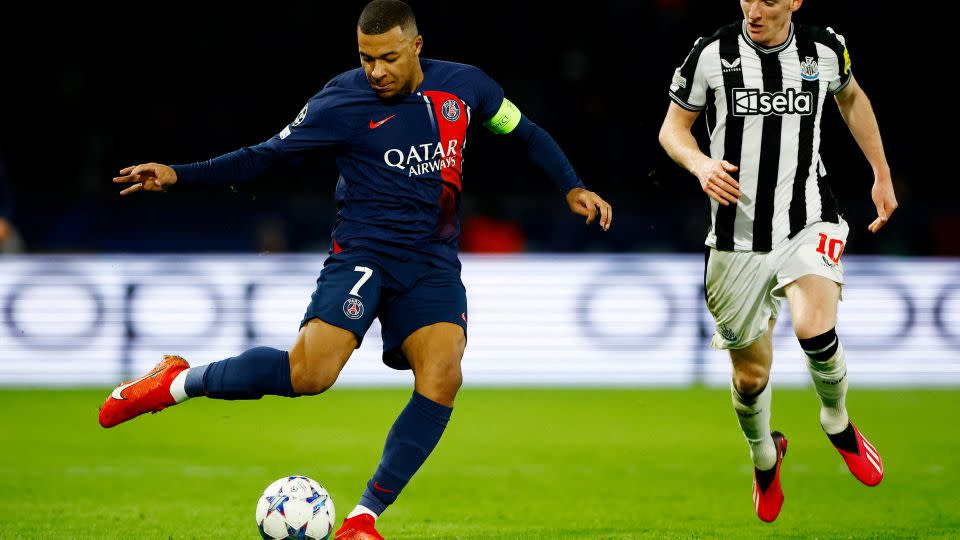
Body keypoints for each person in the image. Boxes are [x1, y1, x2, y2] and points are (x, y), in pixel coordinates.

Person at [99, 1, 612, 538]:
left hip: (431, 262)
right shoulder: (341, 100)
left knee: (442, 376)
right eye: (366, 59)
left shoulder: (467, 87)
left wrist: (572, 185)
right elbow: (263, 156)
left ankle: (362, 520)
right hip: (363, 255)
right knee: (311, 375)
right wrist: (177, 175)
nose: (377, 71)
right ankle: (177, 382)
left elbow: (524, 131)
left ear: (416, 46)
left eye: (388, 58)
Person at [658, 0, 895, 523]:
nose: (754, 10)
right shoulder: (713, 52)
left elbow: (852, 98)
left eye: (768, 0)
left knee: (815, 330)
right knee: (750, 378)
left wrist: (880, 172)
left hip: (809, 219)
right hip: (735, 239)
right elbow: (673, 129)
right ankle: (766, 457)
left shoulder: (824, 48)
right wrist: (699, 163)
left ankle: (837, 421)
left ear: (793, 2)